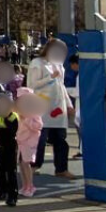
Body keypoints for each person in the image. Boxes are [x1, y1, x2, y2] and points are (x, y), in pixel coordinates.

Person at [27, 39, 73, 179]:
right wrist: (49, 78)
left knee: (60, 139)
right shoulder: (37, 63)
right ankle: (33, 166)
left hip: (58, 108)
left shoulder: (59, 65)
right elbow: (31, 85)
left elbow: (61, 85)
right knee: (40, 139)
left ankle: (61, 168)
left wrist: (69, 104)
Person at [0, 88, 20, 207]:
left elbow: (12, 132)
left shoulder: (13, 117)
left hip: (10, 146)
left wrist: (5, 117)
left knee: (11, 171)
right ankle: (2, 191)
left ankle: (12, 196)